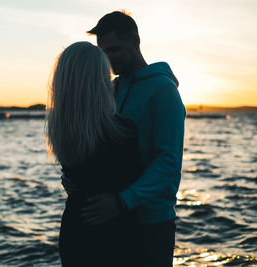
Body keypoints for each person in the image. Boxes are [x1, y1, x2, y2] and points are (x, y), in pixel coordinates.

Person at [62, 11, 186, 266]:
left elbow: (168, 162)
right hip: (116, 223)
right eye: (103, 52)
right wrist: (75, 177)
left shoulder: (163, 91)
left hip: (152, 221)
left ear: (135, 41)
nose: (108, 59)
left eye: (114, 49)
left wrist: (122, 200)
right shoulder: (111, 89)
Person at [47, 41, 143, 266]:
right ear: (98, 80)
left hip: (75, 230)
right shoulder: (123, 132)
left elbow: (76, 178)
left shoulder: (61, 129)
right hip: (115, 236)